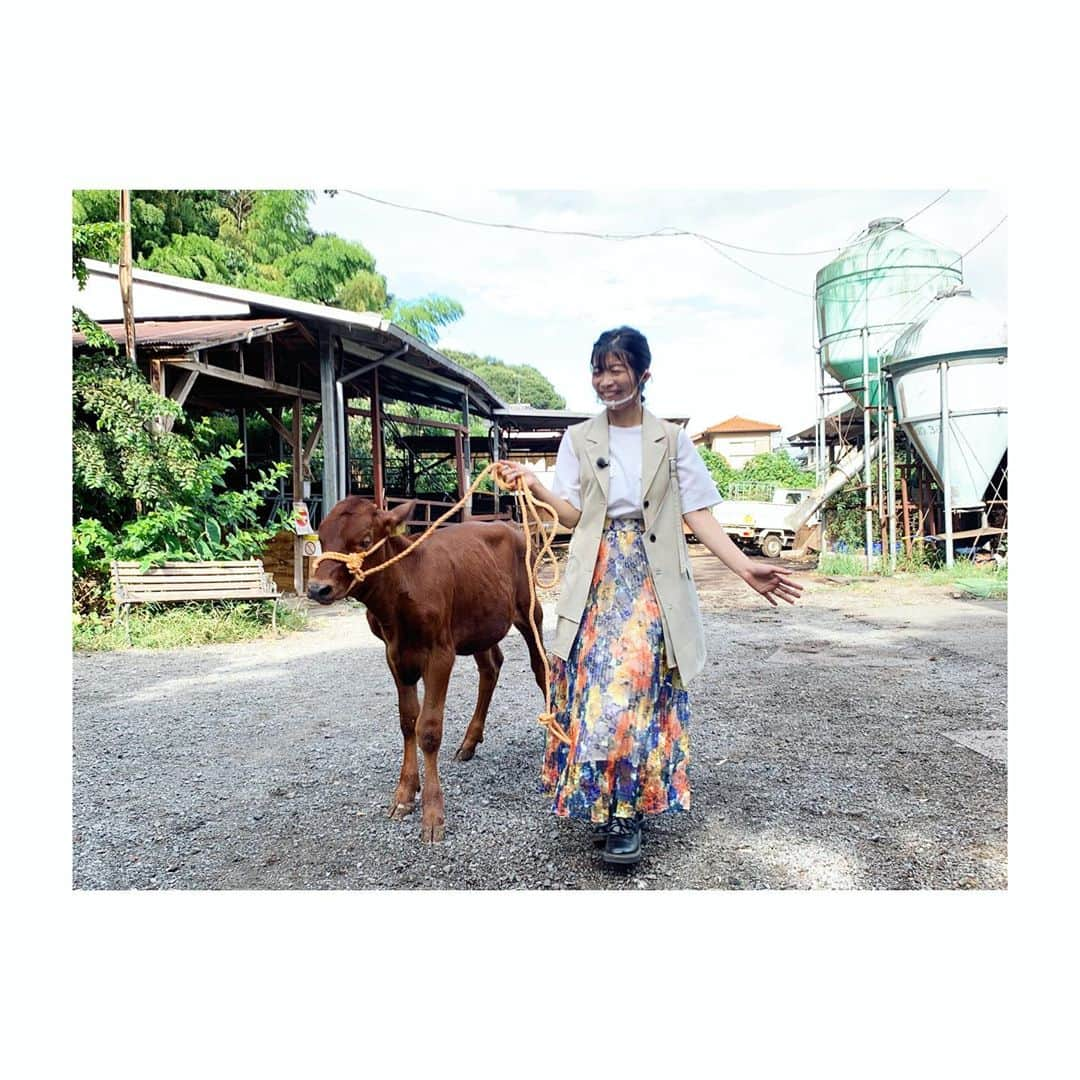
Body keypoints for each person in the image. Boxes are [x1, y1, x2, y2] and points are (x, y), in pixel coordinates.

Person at [499, 326, 802, 866]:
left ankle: (626, 813)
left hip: (650, 580)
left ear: (643, 375)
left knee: (634, 685)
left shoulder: (671, 439)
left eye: (617, 369)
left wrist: (743, 567)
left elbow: (697, 514)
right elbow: (572, 516)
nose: (606, 380)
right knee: (595, 690)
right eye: (599, 370)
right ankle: (606, 802)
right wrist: (535, 484)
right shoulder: (579, 439)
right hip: (594, 580)